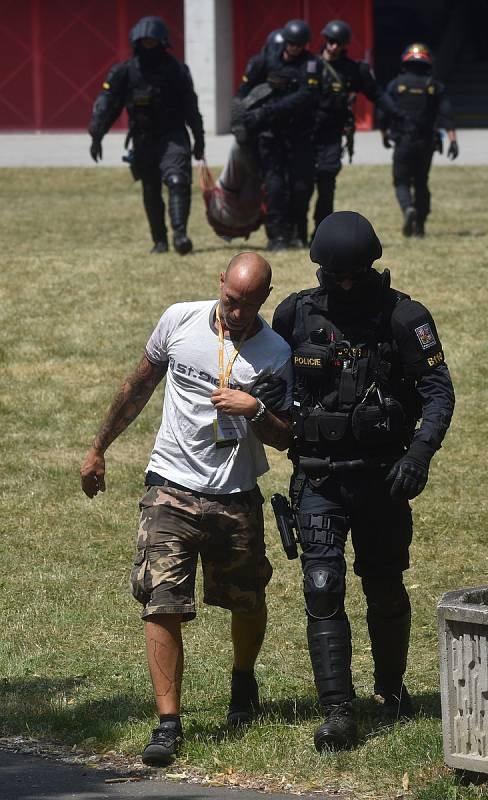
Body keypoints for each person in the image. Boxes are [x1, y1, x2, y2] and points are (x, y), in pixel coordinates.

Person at [80, 253, 293, 766]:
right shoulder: (178, 320)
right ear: (220, 283)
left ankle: (243, 682)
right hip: (170, 485)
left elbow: (288, 437)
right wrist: (98, 447)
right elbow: (139, 385)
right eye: (230, 299)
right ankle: (168, 724)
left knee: (247, 599)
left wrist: (256, 409)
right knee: (162, 600)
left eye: (248, 304)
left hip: (235, 493)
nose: (236, 312)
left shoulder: (275, 353)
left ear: (265, 299)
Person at [271, 211, 455, 751]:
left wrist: (419, 453)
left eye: (356, 273)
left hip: (382, 480)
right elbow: (267, 379)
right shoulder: (294, 315)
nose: (347, 283)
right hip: (318, 478)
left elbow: (439, 392)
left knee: (385, 586)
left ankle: (390, 690)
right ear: (319, 268)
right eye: (336, 274)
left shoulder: (404, 317)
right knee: (322, 588)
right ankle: (337, 712)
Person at [88, 16, 205, 255]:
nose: (148, 46)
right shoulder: (125, 71)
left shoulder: (176, 70)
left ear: (162, 42)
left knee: (177, 181)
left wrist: (199, 138)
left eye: (153, 42)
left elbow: (190, 106)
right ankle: (159, 240)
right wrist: (97, 134)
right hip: (143, 139)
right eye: (144, 42)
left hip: (173, 136)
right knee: (151, 190)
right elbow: (109, 104)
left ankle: (180, 234)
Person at [235, 19, 321, 251]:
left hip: (299, 135)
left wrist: (268, 111)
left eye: (299, 44)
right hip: (270, 136)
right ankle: (277, 236)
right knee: (274, 187)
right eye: (291, 43)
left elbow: (306, 95)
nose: (294, 48)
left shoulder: (311, 64)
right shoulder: (265, 61)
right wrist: (245, 118)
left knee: (301, 187)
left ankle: (298, 233)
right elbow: (243, 93)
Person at [311, 20, 401, 239]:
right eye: (330, 42)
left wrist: (397, 113)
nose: (333, 47)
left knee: (326, 180)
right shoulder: (309, 65)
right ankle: (291, 232)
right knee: (300, 185)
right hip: (304, 133)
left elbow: (376, 94)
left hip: (331, 133)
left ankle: (319, 231)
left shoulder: (353, 70)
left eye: (338, 43)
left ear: (344, 45)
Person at [379, 43, 458, 237]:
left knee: (401, 181)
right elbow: (447, 114)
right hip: (426, 143)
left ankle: (407, 208)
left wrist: (384, 134)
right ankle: (420, 226)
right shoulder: (434, 86)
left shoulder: (395, 85)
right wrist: (453, 140)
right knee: (422, 182)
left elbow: (383, 111)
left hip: (403, 141)